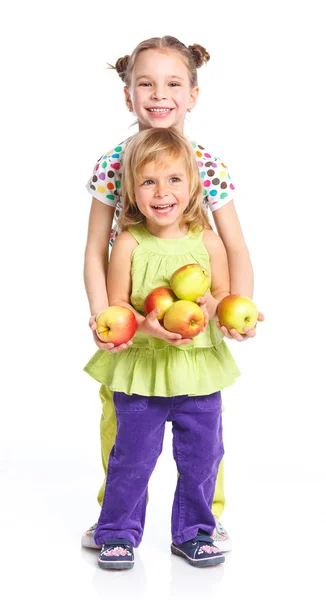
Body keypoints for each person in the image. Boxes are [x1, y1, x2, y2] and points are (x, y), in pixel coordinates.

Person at [82, 35, 263, 552]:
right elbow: (97, 249)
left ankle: (205, 519)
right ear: (128, 95)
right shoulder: (114, 164)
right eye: (146, 83)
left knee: (203, 434)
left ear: (193, 94)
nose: (159, 95)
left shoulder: (205, 165)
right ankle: (115, 516)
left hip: (196, 319)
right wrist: (105, 317)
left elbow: (235, 248)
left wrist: (232, 309)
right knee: (123, 429)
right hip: (135, 319)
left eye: (173, 83)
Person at [84, 127, 241, 569]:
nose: (162, 192)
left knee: (203, 456)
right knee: (131, 457)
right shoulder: (129, 243)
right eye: (148, 182)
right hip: (144, 369)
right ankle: (116, 532)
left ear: (193, 185)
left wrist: (220, 308)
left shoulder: (209, 242)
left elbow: (220, 299)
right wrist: (149, 328)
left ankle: (194, 532)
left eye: (173, 180)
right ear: (131, 191)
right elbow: (119, 307)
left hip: (196, 369)